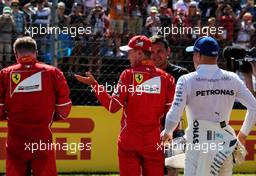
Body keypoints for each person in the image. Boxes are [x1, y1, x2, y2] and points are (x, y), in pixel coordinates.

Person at [75, 35, 176, 176]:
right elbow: (172, 114)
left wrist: (95, 86)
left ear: (140, 53)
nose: (128, 56)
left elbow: (112, 106)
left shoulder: (128, 75)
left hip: (129, 140)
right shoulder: (168, 79)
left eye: (130, 52)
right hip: (153, 141)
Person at [161, 36, 256, 176]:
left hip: (198, 145)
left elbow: (174, 114)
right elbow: (254, 107)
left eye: (194, 54)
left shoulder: (186, 80)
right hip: (225, 145)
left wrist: (167, 132)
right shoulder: (232, 78)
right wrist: (242, 134)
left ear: (198, 55)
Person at [0, 36, 72, 176]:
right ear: (36, 52)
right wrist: (54, 117)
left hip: (15, 142)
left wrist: (6, 116)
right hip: (42, 140)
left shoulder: (3, 74)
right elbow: (64, 109)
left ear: (16, 54)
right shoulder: (53, 72)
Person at [150, 35, 188, 176]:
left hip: (173, 130)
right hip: (147, 130)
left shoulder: (182, 75)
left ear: (168, 52)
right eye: (152, 52)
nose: (155, 56)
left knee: (171, 169)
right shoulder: (143, 74)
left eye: (159, 51)